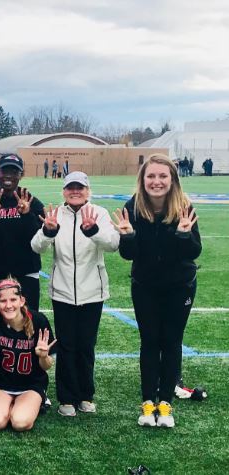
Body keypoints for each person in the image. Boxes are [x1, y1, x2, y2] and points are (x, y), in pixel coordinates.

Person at [114, 154, 201, 428]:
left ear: (173, 179)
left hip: (179, 286)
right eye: (151, 176)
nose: (157, 181)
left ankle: (166, 404)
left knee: (172, 342)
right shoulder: (133, 207)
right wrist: (128, 236)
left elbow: (194, 252)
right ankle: (148, 402)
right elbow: (129, 255)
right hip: (146, 287)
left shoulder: (184, 206)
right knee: (150, 342)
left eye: (163, 176)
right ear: (142, 179)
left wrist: (184, 234)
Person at [31, 171, 119, 417]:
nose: (75, 191)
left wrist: (93, 231)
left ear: (88, 191)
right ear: (64, 192)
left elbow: (113, 244)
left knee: (86, 345)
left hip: (93, 292)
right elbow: (36, 246)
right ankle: (66, 398)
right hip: (63, 292)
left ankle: (86, 395)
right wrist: (48, 231)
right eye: (71, 188)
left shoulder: (98, 213)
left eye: (80, 187)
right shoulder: (56, 214)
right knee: (67, 345)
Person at [0, 277, 57, 432]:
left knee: (20, 423)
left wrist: (43, 356)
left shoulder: (39, 321)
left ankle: (35, 401)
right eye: (3, 301)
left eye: (13, 299)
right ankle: (13, 404)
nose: (8, 305)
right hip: (0, 383)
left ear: (22, 301)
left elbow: (47, 366)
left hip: (31, 384)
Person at [0, 154, 46, 310]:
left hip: (26, 274)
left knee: (28, 321)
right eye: (5, 171)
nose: (9, 175)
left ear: (20, 175)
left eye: (14, 171)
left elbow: (39, 240)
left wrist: (27, 215)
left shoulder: (30, 200)